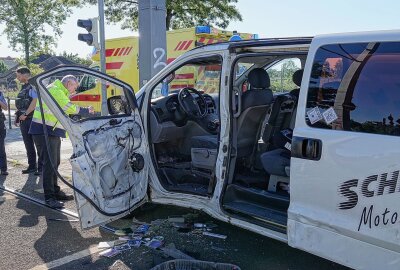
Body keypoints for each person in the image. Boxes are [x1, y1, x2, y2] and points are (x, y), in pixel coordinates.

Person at [29, 75, 94, 208]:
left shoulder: (58, 90)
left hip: (49, 131)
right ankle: (49, 197)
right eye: (74, 87)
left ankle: (55, 191)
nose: (74, 91)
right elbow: (67, 107)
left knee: (55, 162)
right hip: (44, 131)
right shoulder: (55, 90)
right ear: (69, 83)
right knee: (50, 164)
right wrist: (85, 111)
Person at [15, 67, 41, 175]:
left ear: (25, 75)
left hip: (32, 119)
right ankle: (32, 166)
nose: (17, 78)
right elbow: (21, 103)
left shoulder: (33, 85)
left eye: (19, 76)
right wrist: (18, 116)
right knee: (28, 144)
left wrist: (25, 114)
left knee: (38, 145)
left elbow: (35, 101)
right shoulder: (24, 87)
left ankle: (41, 168)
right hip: (24, 120)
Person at [0, 90, 8, 175]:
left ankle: (3, 169)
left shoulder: (0, 93)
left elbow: (5, 107)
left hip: (0, 122)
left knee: (1, 146)